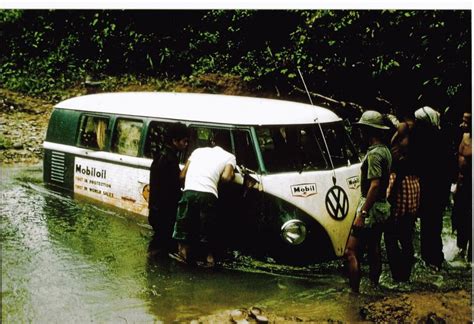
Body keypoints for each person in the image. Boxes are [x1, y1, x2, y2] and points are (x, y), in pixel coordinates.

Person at [170, 131, 236, 267]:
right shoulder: (230, 156)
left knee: (184, 229)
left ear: (212, 141)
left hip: (189, 191)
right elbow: (226, 177)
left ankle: (183, 256)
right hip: (208, 194)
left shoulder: (197, 151)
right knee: (207, 230)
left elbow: (182, 175)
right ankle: (209, 260)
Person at [345, 110, 392, 293]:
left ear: (368, 131)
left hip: (370, 207)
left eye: (362, 130)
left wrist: (362, 213)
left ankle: (354, 293)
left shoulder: (373, 155)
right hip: (382, 206)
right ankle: (374, 287)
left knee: (350, 251)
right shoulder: (386, 150)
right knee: (374, 249)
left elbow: (374, 185)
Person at [411, 106, 452, 270]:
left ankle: (431, 260)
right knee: (432, 227)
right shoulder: (440, 138)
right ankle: (433, 259)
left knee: (430, 227)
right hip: (437, 190)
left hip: (431, 190)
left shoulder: (424, 138)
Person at [384, 112, 420, 281]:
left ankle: (399, 276)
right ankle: (404, 275)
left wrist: (390, 196)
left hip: (401, 185)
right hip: (410, 185)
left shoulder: (405, 144)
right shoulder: (411, 139)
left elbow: (400, 169)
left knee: (392, 235)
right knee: (405, 235)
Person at [148, 123, 189, 254]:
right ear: (174, 141)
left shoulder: (161, 155)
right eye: (184, 141)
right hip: (164, 211)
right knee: (161, 246)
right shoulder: (170, 159)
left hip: (156, 209)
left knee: (159, 243)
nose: (186, 144)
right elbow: (171, 187)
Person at [452, 111, 471, 261]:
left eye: (467, 121)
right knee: (459, 218)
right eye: (463, 120)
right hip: (461, 184)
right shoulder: (464, 137)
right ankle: (460, 251)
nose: (462, 124)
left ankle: (470, 258)